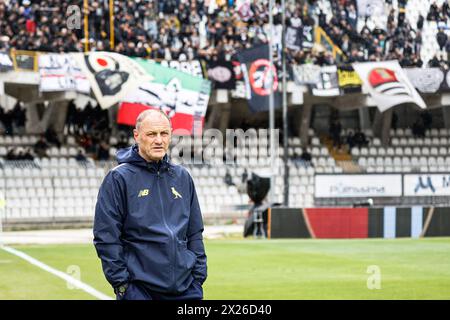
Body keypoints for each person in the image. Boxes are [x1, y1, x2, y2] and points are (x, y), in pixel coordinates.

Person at [93, 109, 207, 300]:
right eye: (151, 134)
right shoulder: (119, 178)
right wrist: (122, 284)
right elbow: (106, 236)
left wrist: (198, 277)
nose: (159, 140)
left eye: (164, 133)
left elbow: (194, 232)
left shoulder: (182, 177)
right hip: (140, 292)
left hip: (186, 289)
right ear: (137, 136)